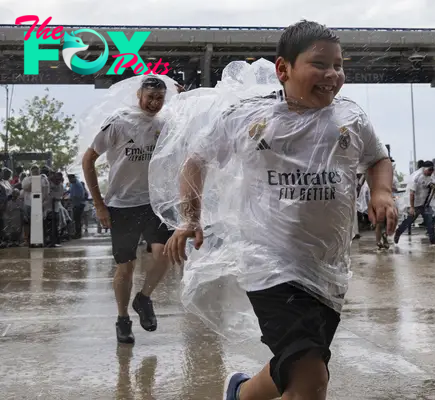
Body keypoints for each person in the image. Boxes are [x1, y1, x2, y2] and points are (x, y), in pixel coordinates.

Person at [163, 20, 397, 400]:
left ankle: (239, 393)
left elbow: (378, 158)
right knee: (311, 380)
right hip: (270, 266)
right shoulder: (249, 117)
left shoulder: (350, 118)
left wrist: (382, 192)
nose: (333, 75)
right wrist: (190, 219)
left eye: (338, 65)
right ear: (283, 69)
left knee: (298, 366)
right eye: (320, 64)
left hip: (328, 269)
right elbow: (195, 161)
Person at [82, 76, 182, 344]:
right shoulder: (119, 122)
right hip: (122, 205)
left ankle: (144, 297)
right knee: (125, 268)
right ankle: (122, 318)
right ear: (139, 95)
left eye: (160, 98)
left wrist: (186, 103)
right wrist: (99, 204)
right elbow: (88, 159)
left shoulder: (166, 121)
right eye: (150, 97)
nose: (154, 103)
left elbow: (191, 138)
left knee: (166, 255)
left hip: (155, 203)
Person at [394, 161, 435, 247]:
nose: (431, 172)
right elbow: (412, 193)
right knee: (409, 221)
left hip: (425, 204)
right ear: (424, 169)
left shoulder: (430, 176)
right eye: (430, 170)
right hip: (415, 204)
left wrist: (433, 185)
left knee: (430, 222)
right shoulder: (416, 177)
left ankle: (433, 241)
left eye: (432, 170)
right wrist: (412, 207)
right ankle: (398, 232)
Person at [68, 174, 86, 239]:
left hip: (79, 204)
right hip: (76, 204)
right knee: (76, 220)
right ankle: (77, 233)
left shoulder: (77, 184)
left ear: (73, 178)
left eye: (70, 179)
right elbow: (70, 191)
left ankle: (78, 234)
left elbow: (79, 196)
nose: (69, 180)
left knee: (77, 220)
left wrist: (71, 199)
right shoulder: (72, 184)